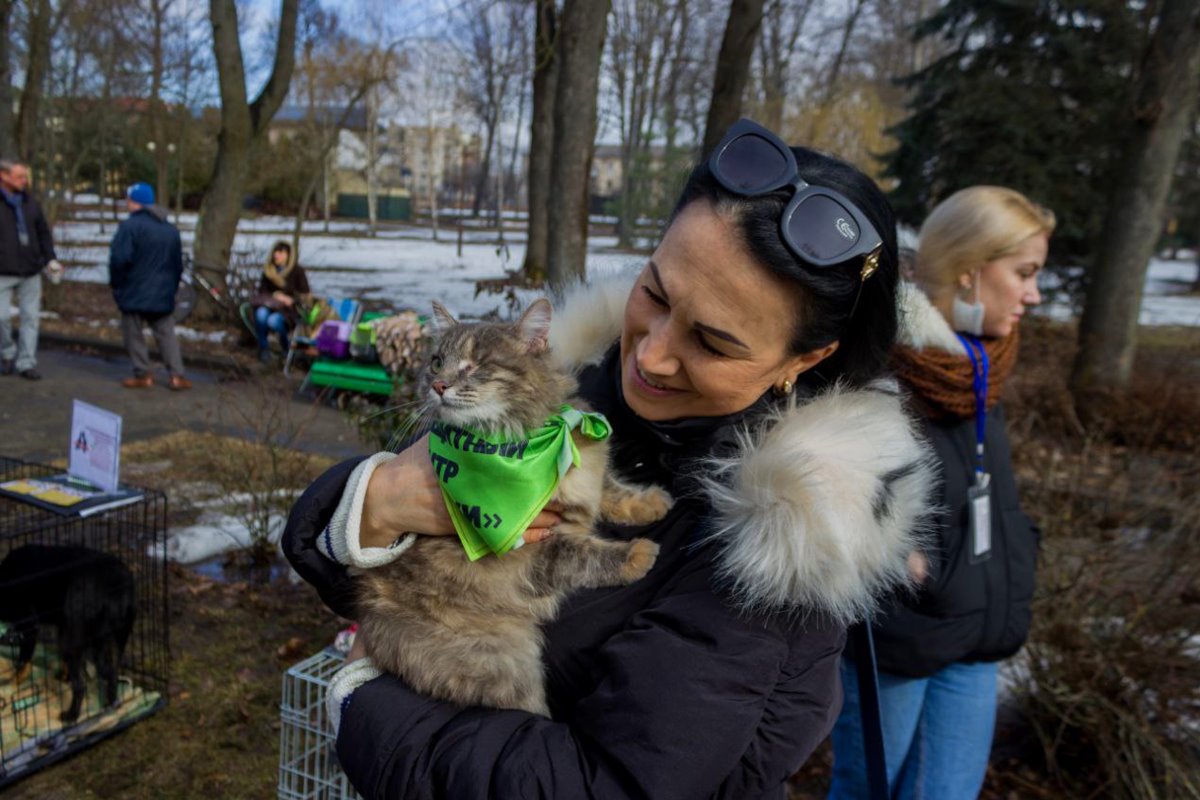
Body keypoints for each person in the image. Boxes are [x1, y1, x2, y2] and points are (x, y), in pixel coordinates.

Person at [283, 118, 937, 799]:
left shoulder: (774, 551)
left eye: (713, 343)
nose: (649, 356)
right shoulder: (574, 385)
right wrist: (376, 502)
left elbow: (608, 785)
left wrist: (366, 700)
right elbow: (358, 564)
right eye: (653, 293)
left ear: (805, 359)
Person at [829, 186, 1054, 799]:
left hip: (978, 629)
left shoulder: (980, 364)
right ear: (970, 270)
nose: (1034, 294)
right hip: (903, 633)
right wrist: (893, 556)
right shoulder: (878, 358)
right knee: (866, 789)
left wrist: (1016, 550)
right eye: (1025, 273)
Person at [108, 182, 191, 391]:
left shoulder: (129, 227)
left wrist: (118, 286)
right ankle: (177, 375)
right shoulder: (170, 230)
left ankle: (142, 373)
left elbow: (119, 260)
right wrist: (171, 288)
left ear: (134, 202)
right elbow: (177, 265)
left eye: (128, 200)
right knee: (166, 333)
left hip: (134, 290)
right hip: (163, 292)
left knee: (133, 334)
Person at [0, 159, 62, 381]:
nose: (24, 181)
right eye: (19, 176)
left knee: (31, 318)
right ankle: (6, 353)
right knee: (1, 317)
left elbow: (43, 233)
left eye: (25, 176)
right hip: (3, 271)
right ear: (3, 176)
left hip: (31, 270)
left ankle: (26, 362)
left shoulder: (30, 203)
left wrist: (50, 259)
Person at [250, 240, 311, 363]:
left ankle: (285, 347)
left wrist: (292, 299)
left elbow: (305, 295)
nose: (276, 255)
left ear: (288, 255)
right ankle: (264, 348)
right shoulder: (269, 271)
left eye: (280, 253)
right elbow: (262, 291)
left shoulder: (297, 271)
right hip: (270, 305)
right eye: (275, 252)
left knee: (273, 321)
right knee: (261, 314)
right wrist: (276, 295)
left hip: (289, 310)